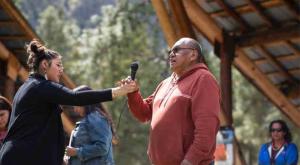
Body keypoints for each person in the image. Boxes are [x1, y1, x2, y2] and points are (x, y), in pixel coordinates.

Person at [0, 39, 136, 165]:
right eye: (58, 65)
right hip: (22, 158)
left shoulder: (29, 87)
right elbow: (76, 97)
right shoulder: (40, 86)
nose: (61, 69)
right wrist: (118, 91)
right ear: (44, 65)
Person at [123, 37, 221, 165]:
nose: (171, 54)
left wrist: (190, 161)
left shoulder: (204, 79)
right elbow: (144, 114)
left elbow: (207, 129)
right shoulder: (166, 83)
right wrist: (133, 93)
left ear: (193, 54)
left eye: (177, 50)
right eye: (170, 51)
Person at [64, 85, 116, 165]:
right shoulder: (90, 119)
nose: (74, 109)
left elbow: (102, 147)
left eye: (76, 104)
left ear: (85, 101)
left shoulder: (95, 118)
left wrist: (77, 152)